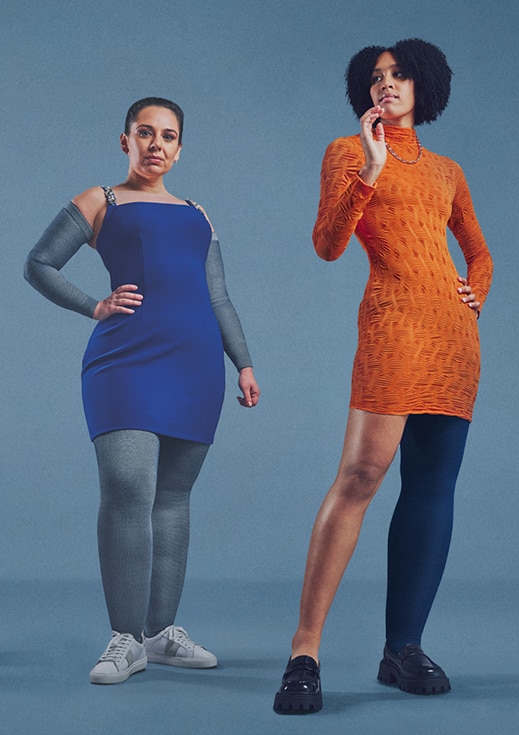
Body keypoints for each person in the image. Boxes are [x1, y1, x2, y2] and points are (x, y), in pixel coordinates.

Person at [273, 39, 493, 714]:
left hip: (452, 340)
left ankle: (404, 648)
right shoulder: (346, 151)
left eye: (398, 76)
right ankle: (304, 652)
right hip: (393, 326)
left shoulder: (448, 170)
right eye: (375, 78)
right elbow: (328, 243)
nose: (386, 85)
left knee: (432, 487)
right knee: (362, 476)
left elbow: (479, 252)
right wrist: (368, 168)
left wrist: (474, 289)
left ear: (424, 86)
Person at [25, 97, 260, 685]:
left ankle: (160, 634)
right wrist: (95, 306)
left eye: (169, 136)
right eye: (146, 133)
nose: (157, 144)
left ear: (180, 149)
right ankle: (123, 638)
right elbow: (40, 264)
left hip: (196, 366)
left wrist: (244, 364)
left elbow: (219, 297)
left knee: (174, 499)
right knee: (128, 487)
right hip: (124, 362)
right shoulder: (99, 201)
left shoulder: (198, 213)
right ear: (125, 140)